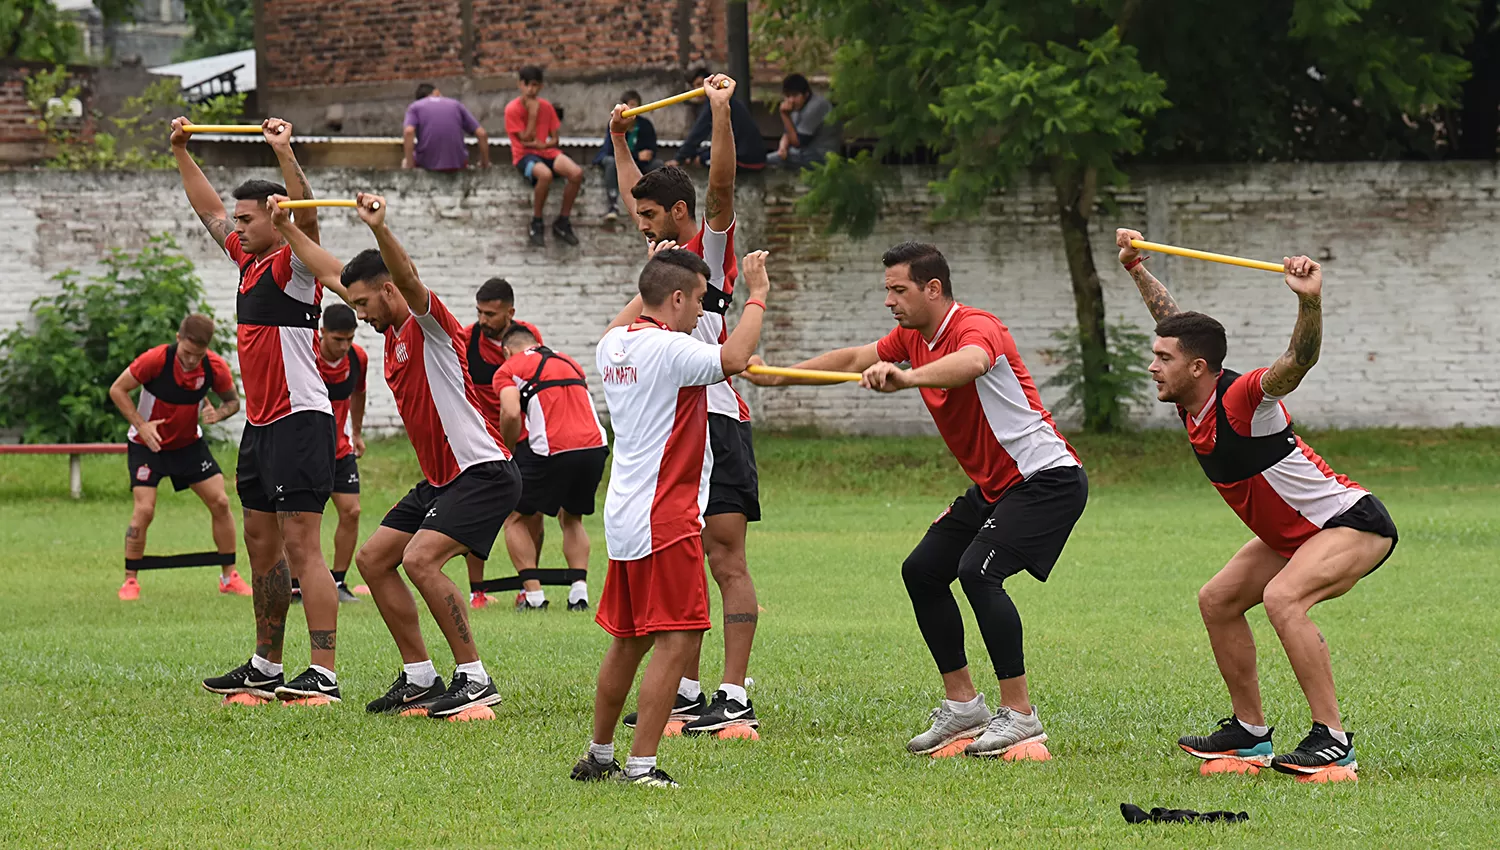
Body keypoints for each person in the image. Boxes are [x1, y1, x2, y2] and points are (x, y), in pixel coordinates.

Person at [744, 242, 1088, 759]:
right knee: (923, 570)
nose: (889, 301)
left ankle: (1020, 715)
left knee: (978, 571)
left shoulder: (977, 327)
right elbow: (855, 359)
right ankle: (965, 706)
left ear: (932, 288)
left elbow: (970, 363)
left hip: (1046, 478)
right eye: (887, 290)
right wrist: (778, 375)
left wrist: (908, 377)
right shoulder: (911, 335)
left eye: (898, 290)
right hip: (996, 488)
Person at [1115, 228, 1398, 778]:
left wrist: (1309, 301)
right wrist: (1136, 268)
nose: (1153, 365)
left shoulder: (1246, 399)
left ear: (1197, 368)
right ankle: (1248, 735)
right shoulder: (1189, 391)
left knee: (1282, 598)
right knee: (1217, 600)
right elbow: (1175, 326)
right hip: (1295, 535)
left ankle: (1333, 739)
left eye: (1162, 359)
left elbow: (1299, 359)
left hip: (1350, 522)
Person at [268, 192, 521, 718]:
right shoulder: (384, 324)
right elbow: (334, 270)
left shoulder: (429, 326)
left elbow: (407, 276)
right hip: (442, 478)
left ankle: (474, 678)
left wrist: (381, 228)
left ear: (388, 292)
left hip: (482, 471)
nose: (357, 316)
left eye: (363, 305)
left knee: (420, 559)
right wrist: (287, 228)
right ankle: (420, 677)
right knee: (374, 559)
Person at [570, 247, 771, 788]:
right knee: (678, 639)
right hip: (667, 513)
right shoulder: (671, 348)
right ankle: (641, 767)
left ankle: (600, 755)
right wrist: (757, 293)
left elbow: (631, 313)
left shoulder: (616, 344)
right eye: (700, 301)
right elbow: (734, 358)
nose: (703, 313)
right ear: (677, 299)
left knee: (629, 639)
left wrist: (656, 275)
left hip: (626, 515)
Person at [606, 74, 764, 736]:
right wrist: (617, 138)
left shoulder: (708, 249)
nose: (639, 227)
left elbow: (721, 187)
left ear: (678, 212)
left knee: (726, 561)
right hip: (675, 428)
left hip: (718, 420)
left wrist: (720, 111)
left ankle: (733, 693)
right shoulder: (662, 257)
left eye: (649, 217)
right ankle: (688, 690)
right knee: (686, 563)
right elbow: (634, 191)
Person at [172, 116, 343, 704]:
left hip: (301, 421)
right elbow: (209, 211)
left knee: (303, 548)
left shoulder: (293, 266)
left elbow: (310, 218)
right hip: (262, 426)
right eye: (240, 221)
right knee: (262, 546)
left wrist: (285, 151)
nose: (237, 228)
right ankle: (266, 665)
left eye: (249, 220)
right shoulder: (246, 260)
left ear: (276, 217)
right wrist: (181, 151)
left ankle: (323, 672)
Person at [109, 313, 245, 601]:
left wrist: (218, 413)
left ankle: (228, 577)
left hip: (188, 445)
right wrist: (141, 426)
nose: (191, 361)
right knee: (144, 510)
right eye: (186, 352)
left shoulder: (213, 366)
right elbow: (117, 390)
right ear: (178, 339)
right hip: (149, 445)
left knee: (220, 501)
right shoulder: (155, 360)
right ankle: (130, 580)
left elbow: (233, 402)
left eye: (198, 355)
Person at [492, 322, 609, 612]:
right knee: (572, 518)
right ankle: (578, 594)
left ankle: (533, 597)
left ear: (507, 350)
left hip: (552, 450)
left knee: (516, 518)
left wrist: (507, 449)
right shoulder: (569, 361)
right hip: (595, 447)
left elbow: (509, 412)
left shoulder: (509, 368)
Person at [457, 277, 542, 609]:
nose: (483, 321)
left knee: (530, 513)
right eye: (479, 312)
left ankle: (528, 587)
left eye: (490, 314)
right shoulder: (466, 340)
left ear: (511, 312)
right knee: (476, 513)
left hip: (521, 440)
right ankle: (477, 591)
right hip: (481, 442)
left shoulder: (528, 337)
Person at [317, 303, 367, 604]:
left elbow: (359, 392)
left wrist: (357, 432)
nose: (344, 345)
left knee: (352, 511)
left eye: (349, 338)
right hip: (305, 450)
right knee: (300, 518)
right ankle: (296, 584)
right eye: (338, 339)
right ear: (322, 333)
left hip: (340, 448)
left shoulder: (357, 358)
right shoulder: (306, 354)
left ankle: (337, 582)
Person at [505, 65, 583, 247]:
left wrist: (544, 144)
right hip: (524, 155)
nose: (531, 90)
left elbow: (555, 139)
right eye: (528, 85)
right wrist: (532, 114)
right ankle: (537, 221)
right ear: (520, 85)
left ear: (540, 86)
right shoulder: (512, 109)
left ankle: (563, 220)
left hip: (546, 151)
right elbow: (524, 139)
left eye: (535, 85)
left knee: (576, 173)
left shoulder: (547, 107)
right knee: (545, 175)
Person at [669, 69, 766, 172]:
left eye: (700, 84)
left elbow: (698, 133)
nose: (698, 89)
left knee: (701, 160)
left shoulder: (717, 102)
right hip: (746, 153)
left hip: (746, 158)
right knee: (699, 155)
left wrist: (678, 159)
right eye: (695, 86)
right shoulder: (726, 101)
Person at [593, 89, 659, 222]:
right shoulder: (616, 123)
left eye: (637, 105)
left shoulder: (645, 125)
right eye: (631, 104)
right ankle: (612, 204)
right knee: (610, 163)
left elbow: (652, 148)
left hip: (639, 162)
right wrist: (636, 155)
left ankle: (657, 204)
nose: (634, 108)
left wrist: (648, 154)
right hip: (616, 159)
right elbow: (612, 149)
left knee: (658, 166)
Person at [402, 83, 491, 172]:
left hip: (428, 163)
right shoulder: (456, 104)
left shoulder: (415, 107)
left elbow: (409, 131)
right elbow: (482, 133)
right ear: (437, 92)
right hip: (458, 163)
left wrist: (409, 164)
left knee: (405, 162)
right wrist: (485, 163)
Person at [767, 73, 839, 170]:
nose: (791, 100)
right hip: (805, 153)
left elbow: (798, 142)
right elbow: (788, 132)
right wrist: (782, 147)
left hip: (821, 156)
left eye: (795, 95)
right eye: (788, 96)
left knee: (766, 161)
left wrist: (784, 115)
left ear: (806, 94)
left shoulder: (816, 106)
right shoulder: (798, 106)